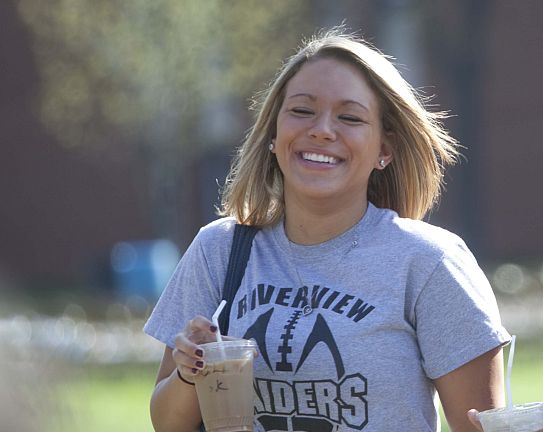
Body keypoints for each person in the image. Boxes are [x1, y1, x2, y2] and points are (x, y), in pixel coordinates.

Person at [144, 29, 510, 431]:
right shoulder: (219, 250)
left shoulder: (429, 262)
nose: (321, 130)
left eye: (350, 117)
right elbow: (167, 424)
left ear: (384, 149)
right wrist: (188, 371)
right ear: (273, 133)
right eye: (302, 111)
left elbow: (482, 426)